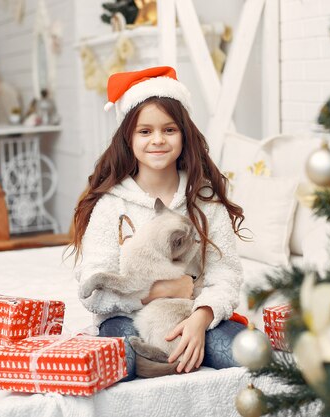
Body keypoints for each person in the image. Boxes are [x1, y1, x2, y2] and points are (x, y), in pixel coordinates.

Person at [71, 66, 246, 381]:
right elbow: (92, 292)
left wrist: (201, 318)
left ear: (183, 134)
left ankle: (177, 353)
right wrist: (158, 290)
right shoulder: (112, 204)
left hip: (187, 314)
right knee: (118, 362)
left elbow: (226, 274)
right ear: (129, 138)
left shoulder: (203, 198)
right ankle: (152, 358)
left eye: (169, 130)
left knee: (249, 350)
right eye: (145, 131)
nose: (158, 141)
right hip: (128, 318)